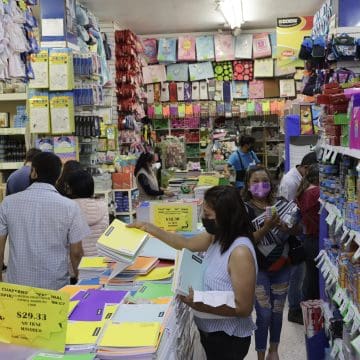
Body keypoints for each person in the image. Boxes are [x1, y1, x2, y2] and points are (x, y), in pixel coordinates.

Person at [129, 186, 257, 360]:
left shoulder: (240, 252)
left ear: (226, 216)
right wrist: (149, 228)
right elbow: (185, 244)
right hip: (210, 332)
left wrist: (198, 303)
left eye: (208, 214)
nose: (204, 218)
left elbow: (243, 308)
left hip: (228, 338)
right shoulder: (216, 236)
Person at [0, 152, 91, 290]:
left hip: (18, 289)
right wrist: (82, 285)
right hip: (55, 288)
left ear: (34, 172)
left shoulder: (8, 203)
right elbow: (76, 252)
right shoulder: (70, 207)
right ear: (58, 176)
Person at [242, 166, 300, 360]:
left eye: (264, 181)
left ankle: (273, 351)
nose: (260, 185)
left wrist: (287, 227)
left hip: (283, 267)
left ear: (271, 183)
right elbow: (248, 241)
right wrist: (267, 226)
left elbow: (298, 230)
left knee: (276, 313)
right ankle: (260, 355)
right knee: (264, 314)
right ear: (248, 185)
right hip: (258, 270)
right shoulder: (244, 210)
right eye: (255, 181)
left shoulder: (282, 204)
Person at [278, 151, 318, 324]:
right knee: (299, 275)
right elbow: (287, 209)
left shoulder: (302, 187)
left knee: (303, 275)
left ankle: (299, 308)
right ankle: (296, 310)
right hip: (297, 234)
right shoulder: (308, 190)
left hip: (300, 232)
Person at [65, 169, 109, 257]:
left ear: (71, 188)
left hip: (75, 264)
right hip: (100, 259)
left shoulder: (67, 209)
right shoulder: (102, 206)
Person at [296, 164, 320, 301]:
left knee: (310, 274)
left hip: (308, 238)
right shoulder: (316, 192)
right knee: (314, 278)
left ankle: (307, 304)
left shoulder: (304, 191)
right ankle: (313, 305)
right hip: (316, 238)